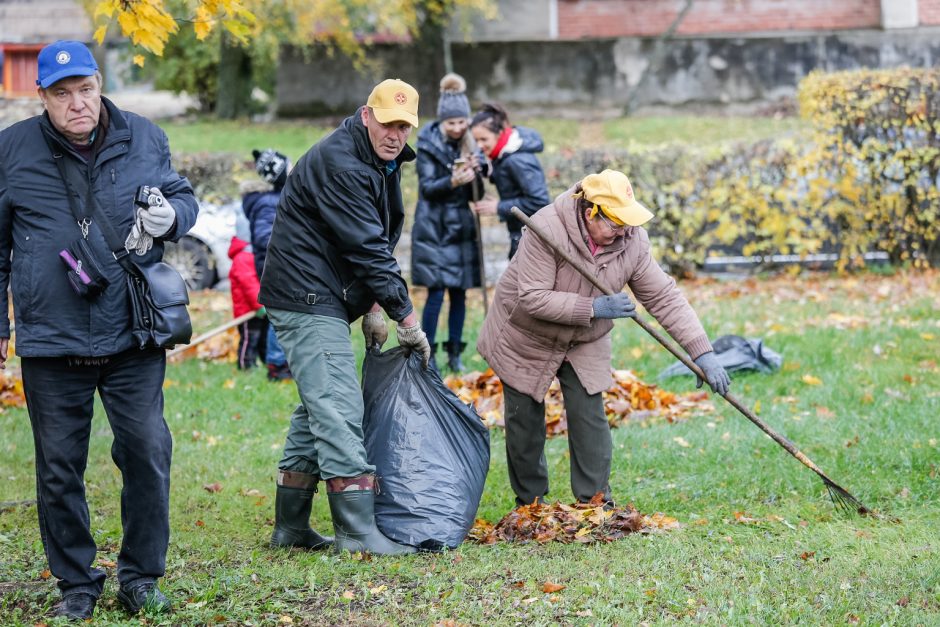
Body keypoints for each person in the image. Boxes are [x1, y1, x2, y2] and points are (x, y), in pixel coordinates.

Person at [0, 41, 198, 619]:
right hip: (50, 338)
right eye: (62, 94)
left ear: (99, 83)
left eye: (84, 89)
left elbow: (181, 198)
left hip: (131, 332)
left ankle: (140, 577)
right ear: (42, 98)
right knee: (58, 467)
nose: (77, 103)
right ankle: (76, 585)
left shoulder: (143, 135)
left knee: (147, 451)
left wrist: (173, 217)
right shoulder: (10, 151)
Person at [477, 169, 730, 509]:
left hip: (583, 337)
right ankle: (531, 504)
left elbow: (664, 297)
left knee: (590, 415)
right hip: (527, 332)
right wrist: (594, 306)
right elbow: (533, 298)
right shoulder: (546, 228)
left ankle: (594, 502)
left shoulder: (632, 242)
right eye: (615, 224)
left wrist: (703, 353)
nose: (624, 231)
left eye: (628, 222)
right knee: (524, 420)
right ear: (589, 211)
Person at [258, 78, 431, 556]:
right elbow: (368, 247)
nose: (395, 133)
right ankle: (356, 532)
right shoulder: (342, 163)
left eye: (404, 125)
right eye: (387, 122)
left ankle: (291, 528)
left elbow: (372, 240)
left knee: (320, 401)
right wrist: (406, 318)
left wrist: (375, 306)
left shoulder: (383, 160)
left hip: (325, 291)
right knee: (337, 406)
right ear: (365, 114)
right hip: (305, 294)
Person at [411, 73, 484, 373]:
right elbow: (427, 188)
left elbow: (477, 190)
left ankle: (455, 353)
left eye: (461, 122)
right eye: (451, 123)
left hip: (461, 226)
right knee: (436, 291)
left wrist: (478, 171)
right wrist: (453, 180)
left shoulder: (470, 143)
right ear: (442, 122)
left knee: (459, 291)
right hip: (434, 226)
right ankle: (427, 354)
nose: (457, 128)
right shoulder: (427, 144)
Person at [469, 102, 550, 259]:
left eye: (484, 139)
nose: (479, 145)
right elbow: (504, 174)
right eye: (476, 140)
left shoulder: (517, 160)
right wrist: (483, 168)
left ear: (499, 133)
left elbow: (540, 202)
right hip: (522, 233)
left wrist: (499, 207)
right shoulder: (504, 154)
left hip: (534, 238)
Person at [242, 148, 291, 381]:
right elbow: (263, 237)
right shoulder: (267, 203)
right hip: (273, 265)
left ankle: (282, 359)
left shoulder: (273, 198)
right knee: (279, 314)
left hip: (278, 263)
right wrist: (291, 240)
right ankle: (277, 363)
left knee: (285, 312)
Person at [228, 209, 267, 369]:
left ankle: (264, 362)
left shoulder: (252, 254)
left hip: (259, 307)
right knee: (249, 339)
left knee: (262, 338)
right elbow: (249, 284)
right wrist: (259, 304)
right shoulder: (242, 257)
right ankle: (245, 364)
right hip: (247, 311)